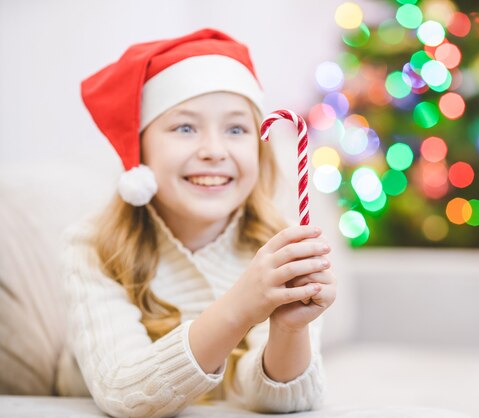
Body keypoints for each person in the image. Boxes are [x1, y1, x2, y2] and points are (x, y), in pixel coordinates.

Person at [56, 28, 337, 417]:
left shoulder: (281, 246)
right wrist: (241, 305)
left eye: (236, 129)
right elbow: (125, 393)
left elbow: (280, 401)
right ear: (139, 150)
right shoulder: (93, 246)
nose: (213, 151)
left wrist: (289, 330)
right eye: (185, 128)